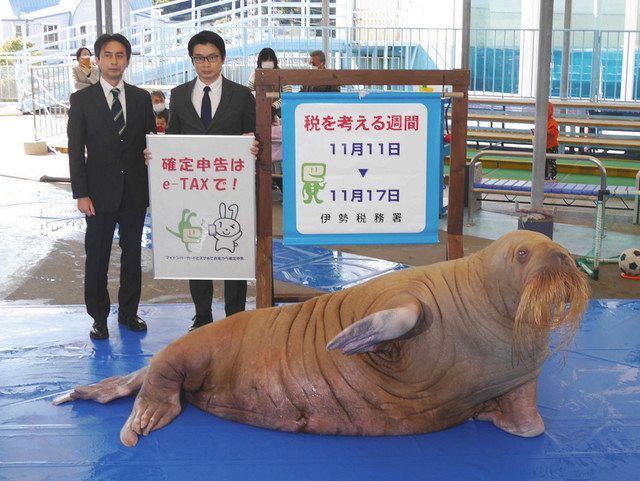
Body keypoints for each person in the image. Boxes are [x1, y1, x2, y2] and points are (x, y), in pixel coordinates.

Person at [163, 30, 256, 331]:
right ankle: (202, 314)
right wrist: (158, 157)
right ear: (192, 60)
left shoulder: (242, 95)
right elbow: (172, 141)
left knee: (234, 245)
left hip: (232, 189)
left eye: (212, 57)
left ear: (223, 58)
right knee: (197, 246)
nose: (206, 64)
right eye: (199, 58)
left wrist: (254, 146)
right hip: (193, 189)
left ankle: (235, 315)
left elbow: (254, 138)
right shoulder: (178, 95)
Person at [67, 33, 156, 340]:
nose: (114, 61)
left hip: (134, 193)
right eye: (108, 55)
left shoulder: (142, 98)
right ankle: (99, 317)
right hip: (98, 194)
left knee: (132, 255)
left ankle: (129, 313)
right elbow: (76, 150)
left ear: (127, 60)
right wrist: (81, 193)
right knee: (98, 256)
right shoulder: (82, 100)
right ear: (98, 59)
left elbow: (151, 145)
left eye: (120, 55)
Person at [246, 47, 293, 118]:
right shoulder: (254, 75)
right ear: (260, 61)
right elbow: (248, 93)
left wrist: (274, 106)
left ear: (274, 61)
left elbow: (288, 95)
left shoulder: (283, 75)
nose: (268, 62)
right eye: (265, 60)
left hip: (279, 111)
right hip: (259, 110)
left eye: (270, 60)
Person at [545, 102, 559, 181]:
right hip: (545, 145)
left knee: (552, 162)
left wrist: (547, 131)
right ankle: (544, 176)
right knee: (544, 162)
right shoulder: (542, 121)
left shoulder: (553, 122)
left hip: (552, 146)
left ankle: (553, 176)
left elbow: (554, 132)